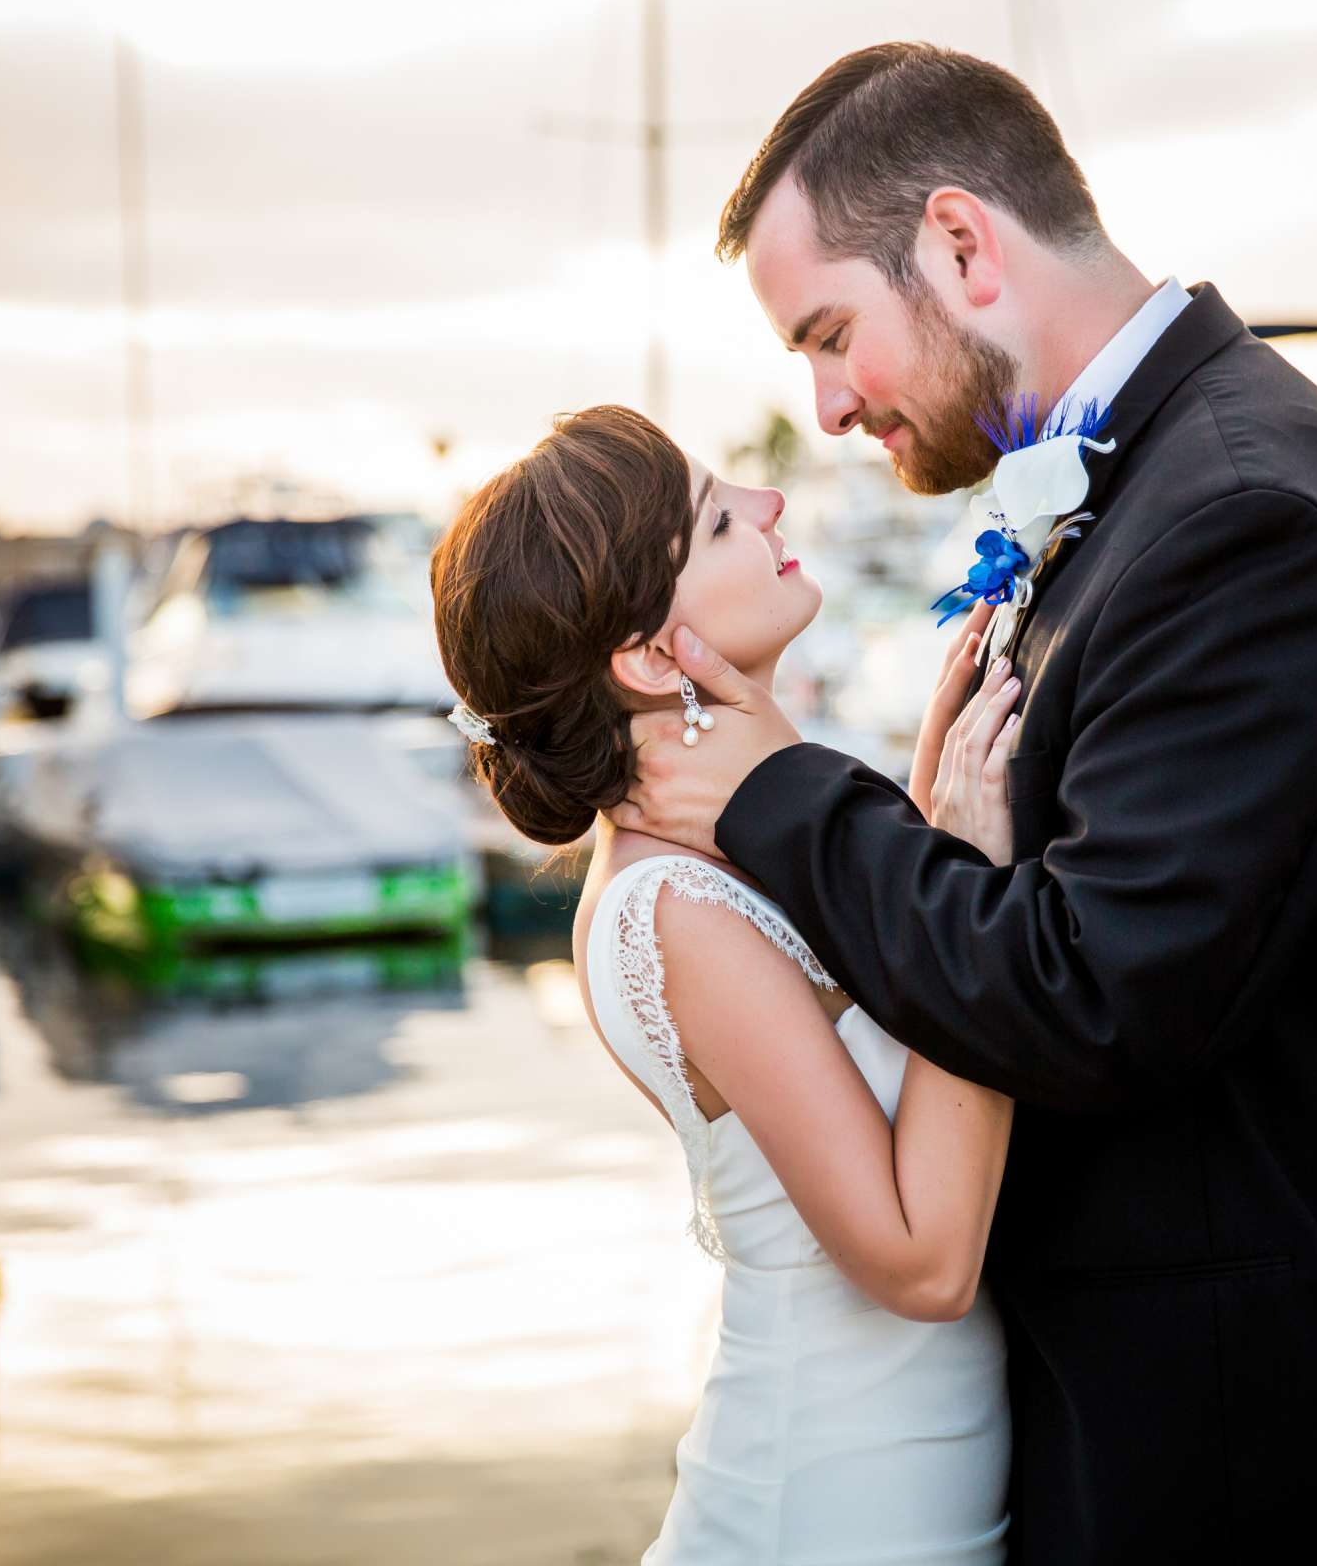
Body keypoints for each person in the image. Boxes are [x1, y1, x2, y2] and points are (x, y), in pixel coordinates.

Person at [610, 43, 1317, 1561]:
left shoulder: (1249, 515)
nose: (827, 404)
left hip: (1283, 1469)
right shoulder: (1151, 484)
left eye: (831, 334)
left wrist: (778, 798)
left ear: (961, 244)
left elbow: (1094, 994)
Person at [431, 404, 1032, 1562]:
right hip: (839, 1507)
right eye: (719, 519)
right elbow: (922, 1258)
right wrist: (971, 894)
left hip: (916, 1475)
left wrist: (915, 841)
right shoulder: (675, 910)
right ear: (654, 656)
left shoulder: (742, 846)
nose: (770, 506)